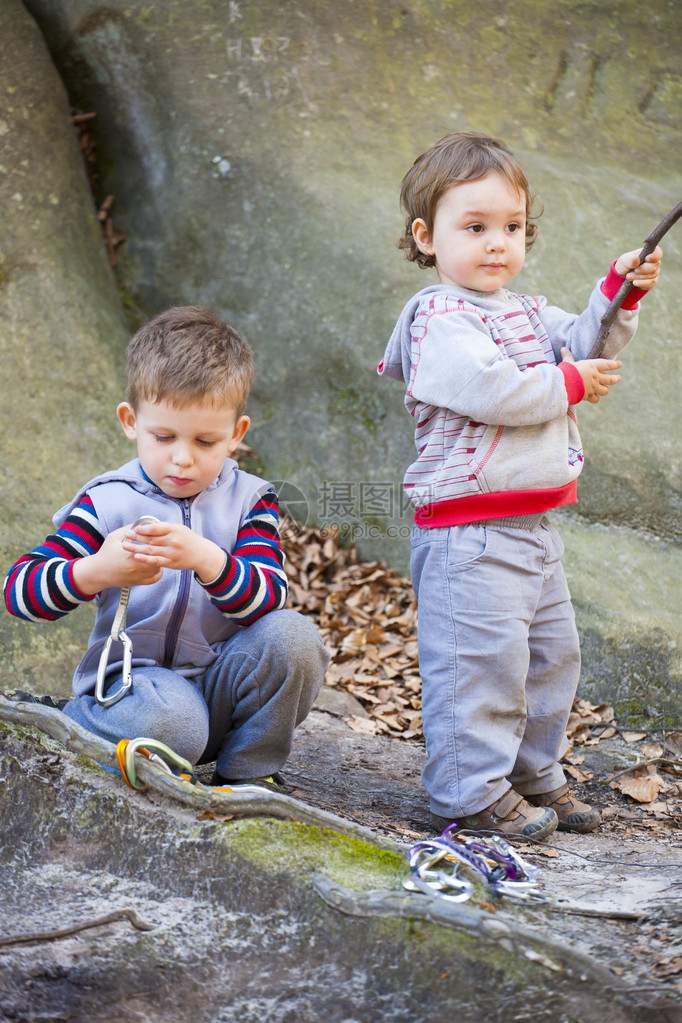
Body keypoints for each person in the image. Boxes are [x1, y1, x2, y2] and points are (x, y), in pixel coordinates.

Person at [379, 131, 662, 838]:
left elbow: (582, 344)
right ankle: (468, 789)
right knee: (480, 663)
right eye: (474, 227)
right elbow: (490, 387)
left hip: (535, 527)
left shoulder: (526, 312)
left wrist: (617, 294)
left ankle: (532, 773)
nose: (497, 242)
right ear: (428, 235)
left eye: (511, 226)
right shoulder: (437, 317)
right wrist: (567, 384)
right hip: (466, 531)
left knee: (547, 658)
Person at [4, 306, 329, 785]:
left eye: (205, 441)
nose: (182, 459)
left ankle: (248, 778)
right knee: (175, 720)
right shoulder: (108, 501)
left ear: (236, 435)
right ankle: (73, 723)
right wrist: (97, 570)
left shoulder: (249, 502)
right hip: (139, 697)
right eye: (163, 436)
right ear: (130, 421)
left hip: (220, 692)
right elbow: (18, 592)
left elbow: (268, 601)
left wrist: (207, 560)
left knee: (296, 638)